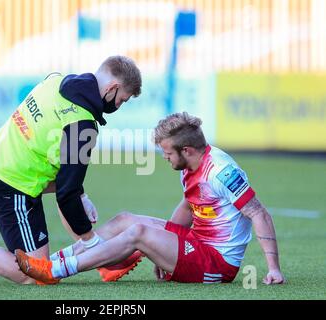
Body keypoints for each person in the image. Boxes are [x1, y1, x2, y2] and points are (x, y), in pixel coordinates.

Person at [0, 55, 142, 285]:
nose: (118, 106)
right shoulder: (82, 124)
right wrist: (95, 246)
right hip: (8, 181)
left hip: (5, 163)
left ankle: (99, 261)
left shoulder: (56, 80)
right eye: (122, 100)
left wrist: (82, 196)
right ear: (112, 88)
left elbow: (65, 174)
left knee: (49, 255)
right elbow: (66, 194)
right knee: (32, 275)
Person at [15, 112, 286, 285]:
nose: (165, 158)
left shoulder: (221, 172)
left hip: (216, 263)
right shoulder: (191, 165)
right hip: (197, 244)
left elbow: (258, 213)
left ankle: (54, 272)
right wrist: (165, 248)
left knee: (140, 232)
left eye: (168, 153)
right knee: (125, 220)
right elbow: (188, 206)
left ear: (187, 150)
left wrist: (273, 269)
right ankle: (51, 261)